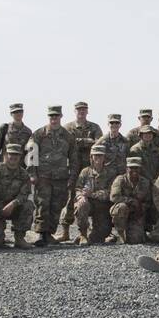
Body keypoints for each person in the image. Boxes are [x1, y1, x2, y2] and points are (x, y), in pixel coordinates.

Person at [59, 101, 103, 242]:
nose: (81, 112)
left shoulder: (95, 127)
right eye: (79, 110)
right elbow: (65, 144)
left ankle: (89, 231)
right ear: (75, 111)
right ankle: (65, 231)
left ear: (87, 111)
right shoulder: (68, 127)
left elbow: (98, 144)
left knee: (91, 196)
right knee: (70, 198)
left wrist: (78, 141)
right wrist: (87, 141)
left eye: (84, 110)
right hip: (72, 167)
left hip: (91, 169)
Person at [29, 105, 72, 247]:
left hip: (61, 177)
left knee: (56, 205)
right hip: (43, 176)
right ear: (49, 117)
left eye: (56, 116)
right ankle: (41, 234)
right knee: (42, 204)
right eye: (51, 116)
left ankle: (50, 233)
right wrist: (32, 174)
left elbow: (74, 158)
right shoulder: (39, 134)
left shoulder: (67, 136)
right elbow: (31, 155)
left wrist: (72, 177)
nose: (54, 119)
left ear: (61, 117)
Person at [0, 143, 35, 249]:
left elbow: (24, 195)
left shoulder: (24, 174)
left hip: (14, 208)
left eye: (16, 155)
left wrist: (13, 204)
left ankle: (19, 238)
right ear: (6, 155)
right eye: (11, 154)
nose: (13, 157)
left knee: (28, 205)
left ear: (20, 157)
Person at [72, 145, 121, 245]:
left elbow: (111, 192)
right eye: (95, 156)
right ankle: (83, 235)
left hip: (103, 206)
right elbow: (78, 188)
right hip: (88, 204)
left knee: (98, 237)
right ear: (91, 157)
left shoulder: (111, 172)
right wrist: (81, 197)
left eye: (100, 156)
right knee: (81, 205)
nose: (98, 158)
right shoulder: (85, 172)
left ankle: (99, 235)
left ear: (104, 157)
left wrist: (93, 194)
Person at [109, 157, 155, 244]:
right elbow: (114, 197)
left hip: (137, 214)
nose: (134, 170)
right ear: (127, 169)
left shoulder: (145, 182)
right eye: (131, 168)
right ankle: (120, 234)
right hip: (122, 212)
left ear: (140, 169)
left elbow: (148, 201)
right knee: (121, 207)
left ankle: (138, 231)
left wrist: (141, 209)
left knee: (136, 240)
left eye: (136, 168)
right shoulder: (120, 180)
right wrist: (131, 201)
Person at [0, 102, 32, 168]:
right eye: (15, 112)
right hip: (5, 166)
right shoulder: (4, 128)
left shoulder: (28, 132)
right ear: (11, 114)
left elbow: (29, 151)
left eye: (20, 111)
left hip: (20, 168)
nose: (18, 114)